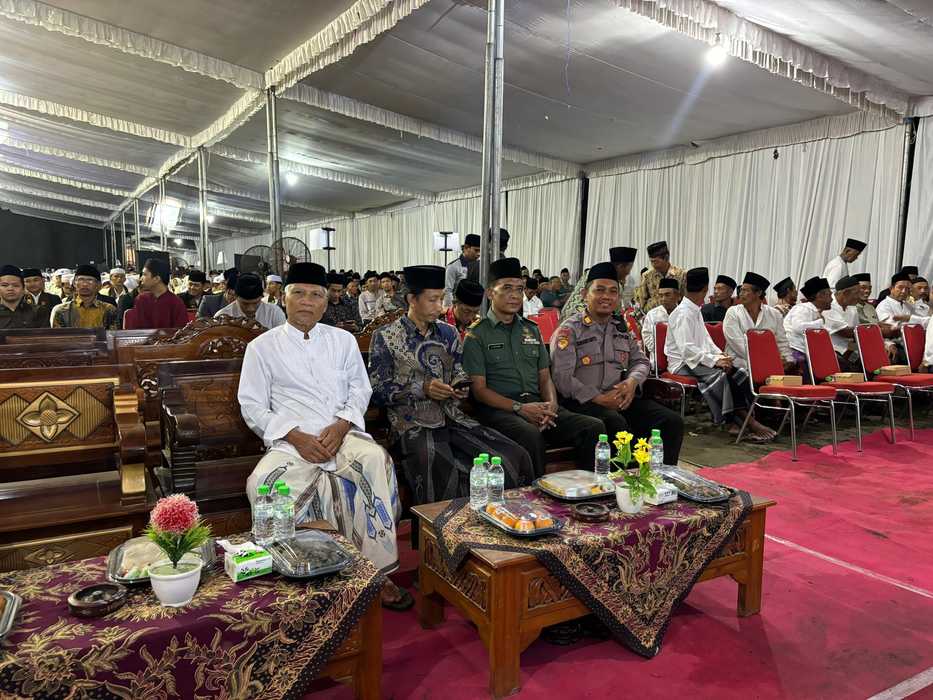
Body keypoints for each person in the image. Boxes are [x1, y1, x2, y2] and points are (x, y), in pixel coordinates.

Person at [238, 262, 409, 609]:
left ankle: (377, 574)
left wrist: (343, 424)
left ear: (325, 302)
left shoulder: (343, 341)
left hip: (342, 435)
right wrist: (294, 436)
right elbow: (252, 405)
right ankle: (301, 571)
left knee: (375, 460)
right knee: (263, 484)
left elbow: (360, 390)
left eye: (315, 295)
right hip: (291, 442)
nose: (306, 301)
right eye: (298, 293)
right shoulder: (261, 347)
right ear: (283, 298)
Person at [368, 265, 535, 505]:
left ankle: (504, 517)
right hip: (411, 423)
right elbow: (377, 390)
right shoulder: (385, 336)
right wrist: (423, 388)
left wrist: (460, 385)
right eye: (432, 300)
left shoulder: (448, 333)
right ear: (411, 299)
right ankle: (441, 525)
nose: (439, 306)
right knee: (437, 463)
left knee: (511, 454)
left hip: (453, 417)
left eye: (442, 299)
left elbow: (459, 371)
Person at [462, 257, 604, 477]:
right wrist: (520, 408)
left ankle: (589, 489)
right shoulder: (476, 335)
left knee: (593, 427)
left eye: (519, 289)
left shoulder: (532, 329)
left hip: (538, 405)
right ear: (490, 293)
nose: (515, 295)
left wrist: (551, 405)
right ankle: (534, 494)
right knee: (529, 434)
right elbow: (479, 391)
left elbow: (545, 377)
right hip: (500, 410)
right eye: (507, 288)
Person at [550, 262, 684, 464]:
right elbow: (562, 377)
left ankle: (663, 476)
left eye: (613, 291)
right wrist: (599, 398)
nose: (607, 296)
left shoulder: (621, 329)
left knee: (671, 421)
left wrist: (631, 382)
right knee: (615, 423)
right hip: (582, 402)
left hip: (619, 398)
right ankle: (625, 479)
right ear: (585, 294)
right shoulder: (569, 330)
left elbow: (641, 361)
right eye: (600, 290)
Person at [666, 267, 775, 440]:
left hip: (697, 360)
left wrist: (720, 356)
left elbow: (706, 341)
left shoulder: (694, 310)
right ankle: (743, 422)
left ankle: (745, 420)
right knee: (720, 376)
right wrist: (714, 361)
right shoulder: (683, 313)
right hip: (682, 364)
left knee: (737, 373)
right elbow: (687, 350)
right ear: (705, 289)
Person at [723, 272, 794, 372]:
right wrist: (770, 358)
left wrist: (788, 360)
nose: (740, 294)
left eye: (745, 290)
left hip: (771, 365)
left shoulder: (774, 314)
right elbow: (739, 345)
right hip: (739, 366)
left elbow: (781, 342)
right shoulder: (733, 312)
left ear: (758, 293)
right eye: (741, 290)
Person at [561, 246, 637, 321]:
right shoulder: (612, 282)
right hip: (584, 322)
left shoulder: (593, 271)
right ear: (621, 267)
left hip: (566, 317)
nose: (628, 273)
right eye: (629, 269)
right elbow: (616, 313)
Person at [784, 276, 832, 369]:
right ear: (820, 296)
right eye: (829, 295)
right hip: (793, 351)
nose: (832, 299)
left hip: (804, 352)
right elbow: (798, 327)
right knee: (810, 369)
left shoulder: (815, 311)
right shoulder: (803, 308)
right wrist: (820, 323)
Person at [50, 264, 118, 329]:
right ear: (74, 284)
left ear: (98, 285)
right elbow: (59, 336)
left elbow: (113, 335)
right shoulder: (62, 310)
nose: (85, 284)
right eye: (81, 280)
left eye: (90, 280)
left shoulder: (109, 310)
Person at [131, 258, 190, 329]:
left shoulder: (176, 303)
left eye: (144, 275)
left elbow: (182, 331)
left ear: (156, 279)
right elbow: (137, 330)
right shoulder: (141, 299)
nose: (141, 279)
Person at [216, 272, 287, 328]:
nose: (251, 309)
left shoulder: (274, 313)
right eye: (245, 304)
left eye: (256, 303)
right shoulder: (222, 318)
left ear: (261, 297)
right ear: (236, 297)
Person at [821, 275, 862, 370]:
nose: (859, 297)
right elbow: (846, 332)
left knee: (871, 362)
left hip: (850, 350)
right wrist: (877, 330)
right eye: (856, 293)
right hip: (832, 351)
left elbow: (856, 331)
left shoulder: (852, 307)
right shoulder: (828, 306)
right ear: (845, 293)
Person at [634, 241, 686, 312]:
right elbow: (641, 302)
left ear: (666, 258)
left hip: (677, 315)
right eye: (651, 261)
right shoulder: (647, 276)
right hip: (653, 315)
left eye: (656, 261)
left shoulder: (681, 274)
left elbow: (685, 300)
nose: (653, 265)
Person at [642, 278, 680, 365]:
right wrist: (659, 348)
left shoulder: (684, 314)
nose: (663, 299)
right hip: (659, 360)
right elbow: (646, 335)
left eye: (667, 295)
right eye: (661, 295)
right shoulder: (652, 315)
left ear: (677, 296)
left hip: (681, 359)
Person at [444, 234, 481, 307]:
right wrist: (450, 310)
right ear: (466, 248)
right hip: (459, 307)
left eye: (480, 251)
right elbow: (448, 291)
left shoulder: (480, 267)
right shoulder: (453, 267)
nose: (479, 254)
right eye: (476, 250)